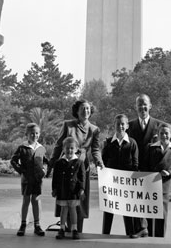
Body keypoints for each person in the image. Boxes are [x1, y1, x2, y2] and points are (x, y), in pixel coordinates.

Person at [48, 99, 103, 232]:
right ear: (77, 111)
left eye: (88, 109)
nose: (86, 111)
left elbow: (95, 149)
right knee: (65, 197)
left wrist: (99, 162)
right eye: (83, 108)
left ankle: (77, 229)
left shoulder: (94, 129)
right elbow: (58, 145)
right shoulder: (68, 125)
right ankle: (65, 227)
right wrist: (51, 163)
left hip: (81, 168)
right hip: (65, 167)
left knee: (80, 199)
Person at [127, 93, 163, 238]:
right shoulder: (129, 126)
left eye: (145, 104)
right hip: (135, 169)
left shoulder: (159, 125)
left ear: (150, 106)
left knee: (151, 202)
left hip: (153, 171)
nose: (142, 107)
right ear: (136, 107)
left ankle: (154, 233)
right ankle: (140, 228)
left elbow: (167, 147)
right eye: (139, 104)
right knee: (136, 201)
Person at [101, 114, 138, 237]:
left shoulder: (132, 143)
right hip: (111, 183)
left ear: (127, 126)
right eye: (118, 124)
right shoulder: (108, 142)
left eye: (123, 124)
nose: (120, 126)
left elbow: (135, 163)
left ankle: (130, 233)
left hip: (126, 183)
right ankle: (105, 234)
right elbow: (103, 160)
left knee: (127, 210)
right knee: (109, 209)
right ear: (114, 125)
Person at [147, 122, 171, 237]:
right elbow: (145, 166)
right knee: (150, 214)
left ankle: (160, 241)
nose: (164, 136)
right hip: (150, 185)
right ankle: (149, 241)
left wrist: (169, 172)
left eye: (166, 133)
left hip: (164, 186)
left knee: (162, 215)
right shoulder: (151, 148)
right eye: (161, 133)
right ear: (158, 134)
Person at [10, 123, 46, 237]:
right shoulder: (22, 148)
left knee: (35, 201)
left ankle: (37, 225)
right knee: (26, 201)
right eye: (32, 133)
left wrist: (45, 170)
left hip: (37, 180)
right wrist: (21, 171)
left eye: (36, 133)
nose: (34, 135)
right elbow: (13, 161)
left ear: (39, 134)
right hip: (26, 179)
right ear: (27, 134)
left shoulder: (41, 148)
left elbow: (46, 161)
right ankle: (23, 225)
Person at [52, 137, 86, 240]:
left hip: (73, 190)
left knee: (73, 210)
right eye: (67, 148)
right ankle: (62, 229)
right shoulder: (59, 163)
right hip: (62, 190)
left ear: (76, 149)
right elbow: (55, 177)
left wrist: (82, 188)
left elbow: (82, 177)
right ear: (63, 148)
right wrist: (54, 189)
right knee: (63, 210)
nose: (69, 150)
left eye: (72, 148)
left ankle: (74, 229)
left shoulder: (79, 162)